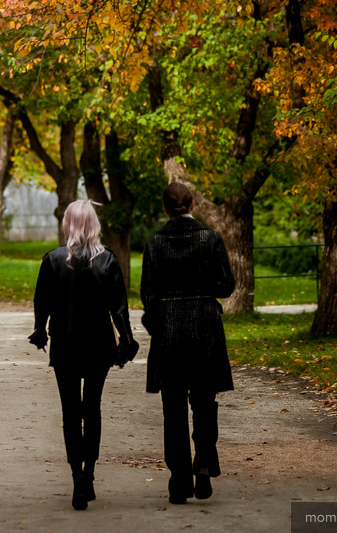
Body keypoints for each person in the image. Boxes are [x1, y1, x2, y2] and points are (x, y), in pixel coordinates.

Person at [29, 200, 138, 511]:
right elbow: (119, 309)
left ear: (68, 224)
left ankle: (77, 474)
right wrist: (126, 342)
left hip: (64, 342)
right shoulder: (108, 261)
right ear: (94, 224)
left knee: (69, 411)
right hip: (99, 345)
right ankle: (89, 472)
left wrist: (40, 331)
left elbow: (42, 303)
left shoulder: (52, 259)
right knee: (92, 408)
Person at [141, 182, 236, 505]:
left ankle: (179, 479)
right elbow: (226, 285)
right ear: (192, 205)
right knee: (205, 401)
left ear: (166, 208)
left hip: (168, 329)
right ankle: (205, 462)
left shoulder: (154, 243)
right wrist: (199, 285)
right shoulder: (211, 239)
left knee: (173, 407)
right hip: (205, 326)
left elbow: (148, 293)